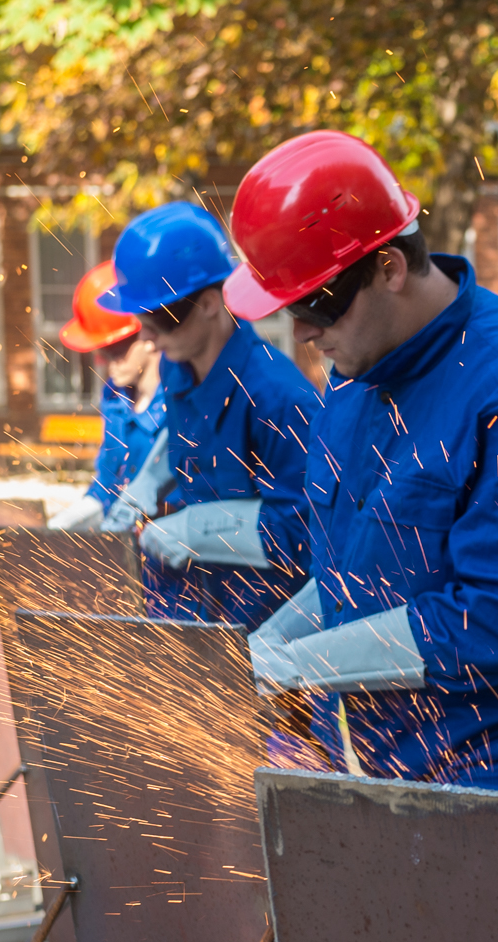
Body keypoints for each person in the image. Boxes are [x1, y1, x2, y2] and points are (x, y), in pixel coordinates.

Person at [228, 130, 498, 800]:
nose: (301, 331)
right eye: (288, 308)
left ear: (388, 267)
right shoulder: (355, 376)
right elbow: (353, 571)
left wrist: (306, 664)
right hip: (401, 741)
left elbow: (490, 622)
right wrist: (264, 648)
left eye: (317, 304)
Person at [97, 202, 317, 629]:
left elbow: (305, 534)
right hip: (199, 619)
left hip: (267, 638)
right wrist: (146, 484)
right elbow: (184, 440)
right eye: (141, 317)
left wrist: (195, 529)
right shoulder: (179, 367)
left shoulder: (277, 398)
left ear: (212, 303)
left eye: (159, 318)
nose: (147, 336)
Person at [48, 261, 166, 533]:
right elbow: (108, 483)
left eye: (116, 350)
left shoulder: (178, 400)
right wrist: (67, 524)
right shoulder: (115, 396)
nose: (107, 362)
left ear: (148, 333)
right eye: (102, 352)